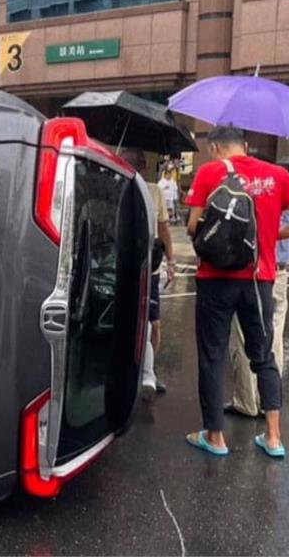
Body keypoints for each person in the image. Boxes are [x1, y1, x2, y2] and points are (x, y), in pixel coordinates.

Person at [184, 125, 289, 458]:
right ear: (245, 145)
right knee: (263, 354)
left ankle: (215, 437)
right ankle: (272, 437)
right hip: (259, 278)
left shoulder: (210, 172)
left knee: (212, 356)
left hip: (215, 278)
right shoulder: (278, 174)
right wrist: (271, 236)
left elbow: (192, 225)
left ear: (214, 148)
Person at [224, 210, 289, 418]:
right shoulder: (288, 197)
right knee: (274, 339)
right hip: (279, 270)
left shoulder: (251, 191)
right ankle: (270, 402)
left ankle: (246, 401)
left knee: (243, 335)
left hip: (252, 271)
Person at [120, 147, 175, 401]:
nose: (138, 165)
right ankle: (134, 370)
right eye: (135, 161)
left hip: (149, 267)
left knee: (153, 322)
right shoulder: (115, 183)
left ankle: (150, 371)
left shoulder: (154, 191)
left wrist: (171, 261)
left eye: (139, 161)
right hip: (122, 264)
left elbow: (163, 229)